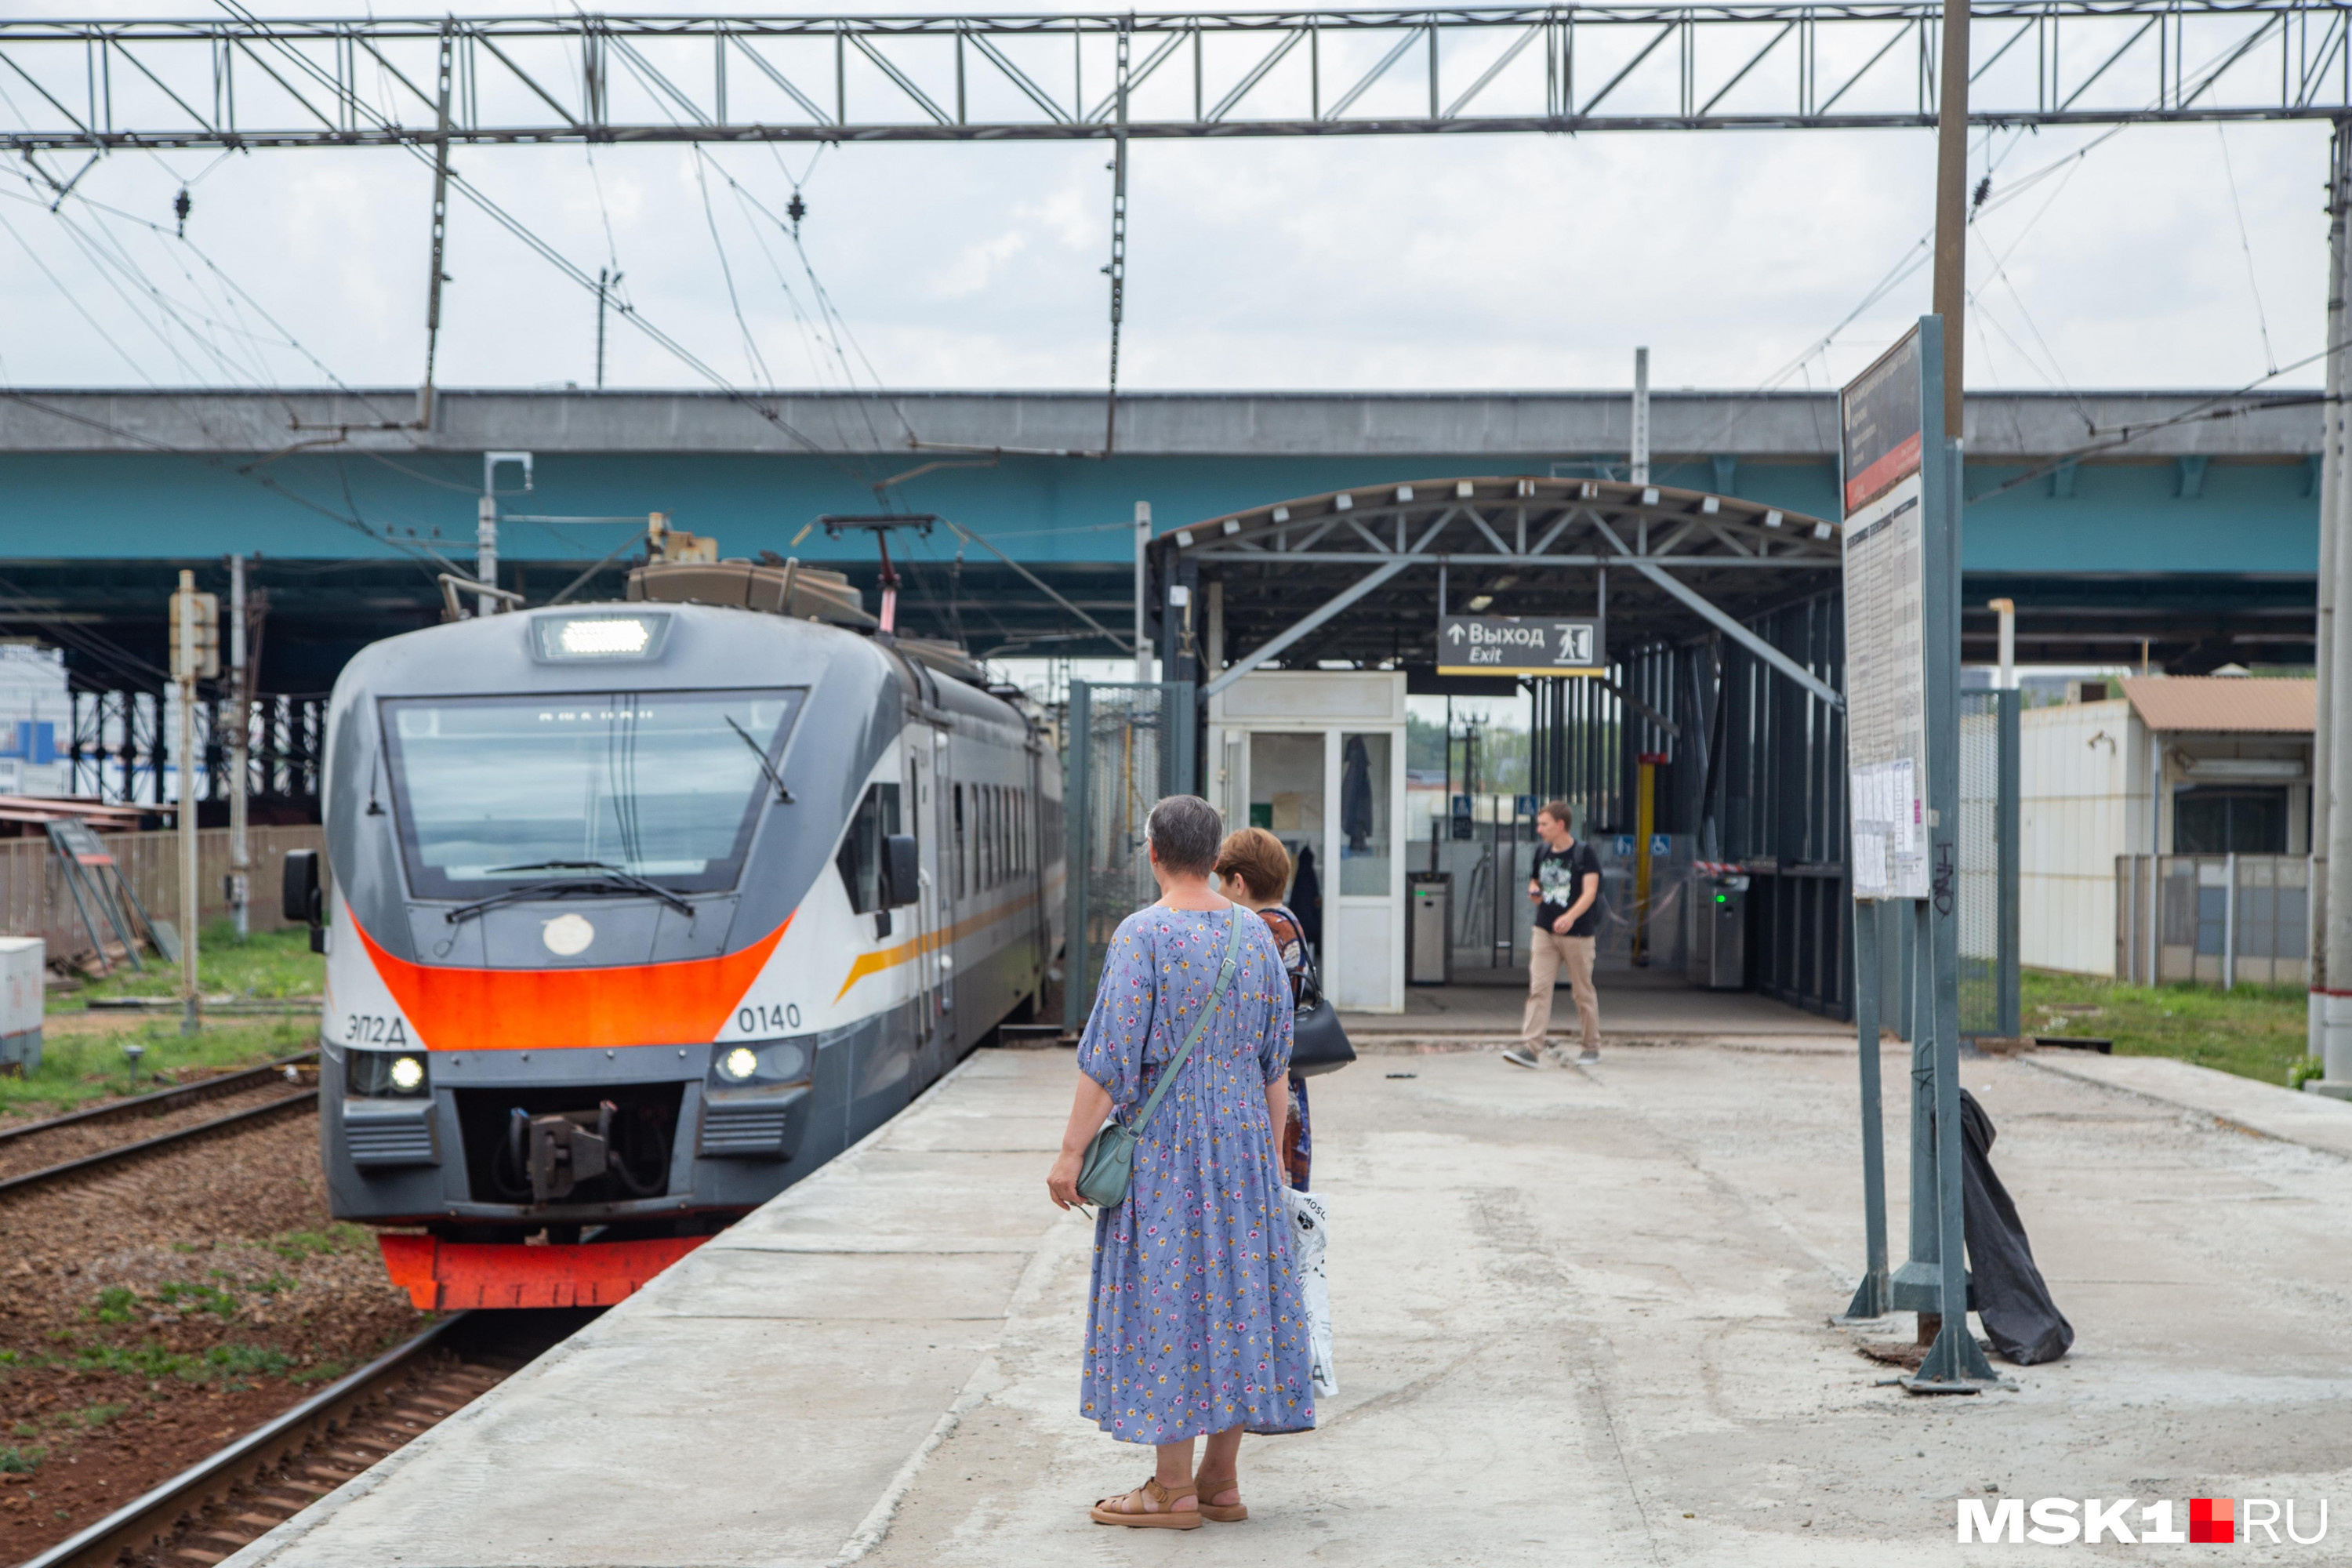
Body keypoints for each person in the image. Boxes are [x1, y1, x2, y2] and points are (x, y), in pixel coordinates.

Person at [1046, 795, 1315, 1528]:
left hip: (1166, 1148)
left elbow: (1109, 1061)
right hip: (1245, 1148)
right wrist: (1274, 1161)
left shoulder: (1143, 935)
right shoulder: (1254, 938)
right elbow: (1275, 1065)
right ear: (1213, 854)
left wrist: (1071, 1154)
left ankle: (1170, 1489)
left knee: (1167, 1297)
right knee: (1237, 1295)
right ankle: (1220, 1479)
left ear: (1155, 853)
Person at [1214, 826, 1313, 1189]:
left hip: (1267, 1083)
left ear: (1239, 883)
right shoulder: (1288, 921)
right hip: (1288, 1080)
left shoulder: (1261, 930)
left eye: (1222, 884)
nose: (1219, 895)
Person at [1506, 800, 1602, 1069]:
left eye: (1543, 824)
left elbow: (1590, 892)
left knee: (1582, 991)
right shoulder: (1542, 851)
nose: (1539, 829)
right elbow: (1535, 880)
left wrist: (1570, 917)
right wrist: (1534, 892)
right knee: (1538, 989)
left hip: (1578, 935)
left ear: (1561, 825)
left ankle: (1591, 1046)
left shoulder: (1585, 854)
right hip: (1544, 930)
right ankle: (1530, 1048)